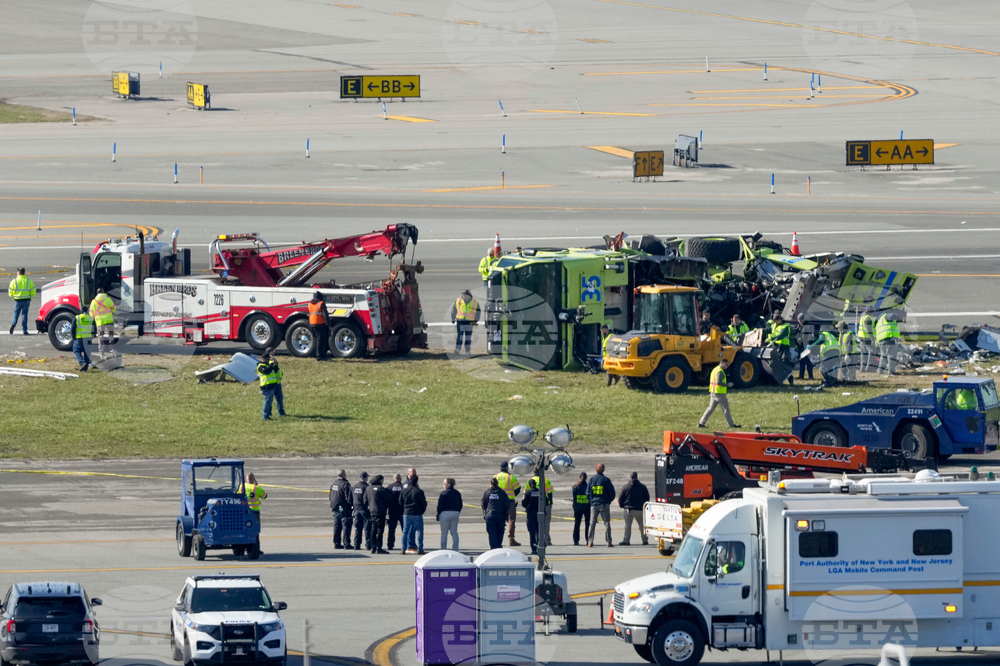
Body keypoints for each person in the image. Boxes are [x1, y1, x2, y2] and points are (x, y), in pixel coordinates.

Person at [698, 359, 740, 429]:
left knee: (710, 408)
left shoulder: (715, 370)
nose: (727, 366)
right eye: (727, 364)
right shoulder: (720, 371)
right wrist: (728, 385)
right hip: (720, 394)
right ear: (723, 363)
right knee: (726, 409)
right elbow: (718, 382)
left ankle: (701, 423)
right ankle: (731, 424)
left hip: (713, 392)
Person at [586, 463, 615, 548]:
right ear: (603, 469)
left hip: (594, 505)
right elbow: (612, 493)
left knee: (592, 524)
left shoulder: (591, 480)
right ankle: (608, 542)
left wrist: (591, 501)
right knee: (607, 523)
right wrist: (608, 501)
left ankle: (590, 542)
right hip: (604, 504)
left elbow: (587, 493)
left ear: (596, 469)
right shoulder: (606, 480)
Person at [618, 472, 650, 546]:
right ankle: (644, 540)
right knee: (642, 526)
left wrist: (622, 506)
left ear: (630, 478)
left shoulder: (625, 487)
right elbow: (647, 498)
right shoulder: (643, 487)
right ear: (637, 477)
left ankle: (626, 540)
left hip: (629, 510)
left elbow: (621, 498)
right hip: (640, 509)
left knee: (627, 526)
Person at [494, 461, 522, 546]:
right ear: (507, 467)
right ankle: (511, 539)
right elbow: (518, 488)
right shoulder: (511, 477)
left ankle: (498, 539)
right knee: (511, 520)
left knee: (499, 519)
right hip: (510, 501)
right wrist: (513, 494)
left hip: (498, 501)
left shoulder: (495, 476)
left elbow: (491, 488)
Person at [256, 349, 286, 421]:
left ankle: (281, 412)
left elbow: (276, 370)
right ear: (263, 359)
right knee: (268, 401)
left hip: (275, 384)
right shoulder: (261, 366)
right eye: (267, 359)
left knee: (279, 398)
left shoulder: (269, 364)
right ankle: (265, 416)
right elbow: (267, 371)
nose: (269, 360)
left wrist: (274, 363)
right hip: (267, 386)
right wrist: (271, 364)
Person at [401, 474, 427, 555]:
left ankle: (403, 549)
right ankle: (420, 548)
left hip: (407, 513)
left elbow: (400, 502)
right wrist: (422, 511)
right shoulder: (419, 491)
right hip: (417, 513)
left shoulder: (404, 491)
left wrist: (404, 509)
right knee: (419, 531)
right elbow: (424, 503)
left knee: (405, 531)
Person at [482, 477, 509, 550]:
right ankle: (498, 545)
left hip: (490, 514)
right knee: (500, 531)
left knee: (491, 532)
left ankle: (493, 547)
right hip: (500, 514)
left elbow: (483, 504)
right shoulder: (502, 492)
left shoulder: (487, 492)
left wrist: (485, 513)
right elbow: (506, 504)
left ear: (491, 484)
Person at [365, 475, 390, 554]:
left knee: (373, 529)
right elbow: (388, 499)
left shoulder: (368, 489)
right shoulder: (382, 489)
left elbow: (364, 500)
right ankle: (379, 547)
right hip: (380, 512)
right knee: (379, 530)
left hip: (372, 511)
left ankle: (373, 547)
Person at [766, 313, 794, 385]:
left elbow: (781, 335)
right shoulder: (774, 325)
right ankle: (779, 380)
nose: (775, 323)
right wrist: (760, 330)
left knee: (785, 363)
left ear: (780, 320)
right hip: (777, 347)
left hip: (784, 347)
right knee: (777, 364)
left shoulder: (786, 326)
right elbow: (768, 329)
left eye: (776, 321)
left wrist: (771, 338)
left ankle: (791, 380)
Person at [450, 290, 480, 355]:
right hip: (460, 321)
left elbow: (478, 312)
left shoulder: (474, 302)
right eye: (463, 295)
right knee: (459, 336)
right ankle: (457, 349)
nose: (464, 296)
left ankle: (467, 351)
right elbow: (454, 309)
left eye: (465, 295)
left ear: (469, 296)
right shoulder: (458, 301)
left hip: (469, 322)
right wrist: (453, 318)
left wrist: (475, 320)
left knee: (468, 337)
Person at [437, 478, 463, 551]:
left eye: (445, 483)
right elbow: (460, 504)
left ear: (449, 484)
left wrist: (438, 514)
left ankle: (443, 549)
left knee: (444, 533)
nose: (444, 485)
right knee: (454, 532)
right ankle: (455, 549)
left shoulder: (443, 493)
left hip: (445, 513)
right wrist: (458, 511)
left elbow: (440, 505)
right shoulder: (457, 493)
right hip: (455, 513)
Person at [88, 286, 116, 353]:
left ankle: (101, 351)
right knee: (111, 334)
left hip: (100, 321)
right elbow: (114, 309)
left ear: (97, 293)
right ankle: (111, 348)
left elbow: (91, 313)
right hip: (109, 320)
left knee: (100, 336)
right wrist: (113, 312)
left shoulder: (94, 302)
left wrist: (94, 317)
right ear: (103, 292)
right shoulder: (107, 299)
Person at [8, 268, 35, 335]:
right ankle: (24, 330)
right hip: (26, 300)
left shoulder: (14, 281)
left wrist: (13, 297)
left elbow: (10, 290)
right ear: (24, 272)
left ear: (18, 273)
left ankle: (13, 324)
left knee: (16, 313)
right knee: (24, 315)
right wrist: (31, 297)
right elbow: (33, 289)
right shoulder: (28, 281)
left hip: (17, 300)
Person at [329, 469, 353, 549]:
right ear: (344, 474)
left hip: (335, 507)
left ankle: (336, 543)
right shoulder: (345, 484)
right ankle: (346, 543)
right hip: (344, 508)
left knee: (337, 526)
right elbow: (349, 497)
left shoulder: (334, 483)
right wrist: (351, 506)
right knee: (346, 525)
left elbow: (330, 496)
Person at [530, 473, 554, 546]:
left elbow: (526, 493)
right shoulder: (545, 480)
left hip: (533, 504)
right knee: (546, 523)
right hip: (545, 503)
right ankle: (546, 540)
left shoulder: (530, 480)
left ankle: (537, 540)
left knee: (535, 524)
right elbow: (550, 492)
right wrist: (550, 502)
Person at [351, 472, 371, 551]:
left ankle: (356, 545)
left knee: (358, 528)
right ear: (366, 478)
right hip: (364, 509)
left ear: (360, 478)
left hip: (356, 509)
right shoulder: (367, 487)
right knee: (367, 528)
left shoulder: (354, 487)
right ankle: (368, 545)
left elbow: (350, 498)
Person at [308, 291, 329, 360]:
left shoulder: (310, 304)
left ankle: (320, 355)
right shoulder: (321, 303)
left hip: (312, 323)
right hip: (319, 324)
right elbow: (325, 315)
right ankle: (320, 357)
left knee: (317, 340)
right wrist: (329, 325)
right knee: (321, 340)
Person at [385, 473, 404, 551]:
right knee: (405, 529)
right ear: (401, 479)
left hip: (392, 511)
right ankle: (405, 544)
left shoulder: (389, 487)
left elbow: (385, 498)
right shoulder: (404, 487)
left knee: (391, 529)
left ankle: (390, 545)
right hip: (402, 510)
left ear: (393, 479)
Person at [522, 480, 541, 555]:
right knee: (539, 532)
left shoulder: (527, 492)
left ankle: (533, 549)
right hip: (539, 513)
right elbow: (546, 501)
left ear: (529, 485)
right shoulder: (541, 491)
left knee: (532, 533)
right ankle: (540, 547)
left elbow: (523, 503)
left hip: (531, 514)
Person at [571, 472, 590, 546]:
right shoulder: (588, 486)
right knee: (587, 524)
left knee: (577, 524)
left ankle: (576, 540)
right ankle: (588, 540)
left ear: (579, 477)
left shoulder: (575, 487)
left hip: (577, 507)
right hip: (586, 507)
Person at [795, 313, 814, 380]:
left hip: (806, 347)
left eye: (801, 320)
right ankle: (801, 376)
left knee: (808, 362)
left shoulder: (807, 326)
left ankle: (811, 376)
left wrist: (808, 344)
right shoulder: (799, 326)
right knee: (801, 362)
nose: (800, 321)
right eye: (799, 320)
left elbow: (810, 336)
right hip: (800, 346)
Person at [857, 307, 876, 372]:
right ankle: (868, 367)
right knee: (872, 352)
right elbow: (869, 330)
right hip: (867, 338)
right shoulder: (868, 318)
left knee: (863, 353)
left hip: (861, 337)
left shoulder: (862, 317)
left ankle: (862, 368)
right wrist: (872, 339)